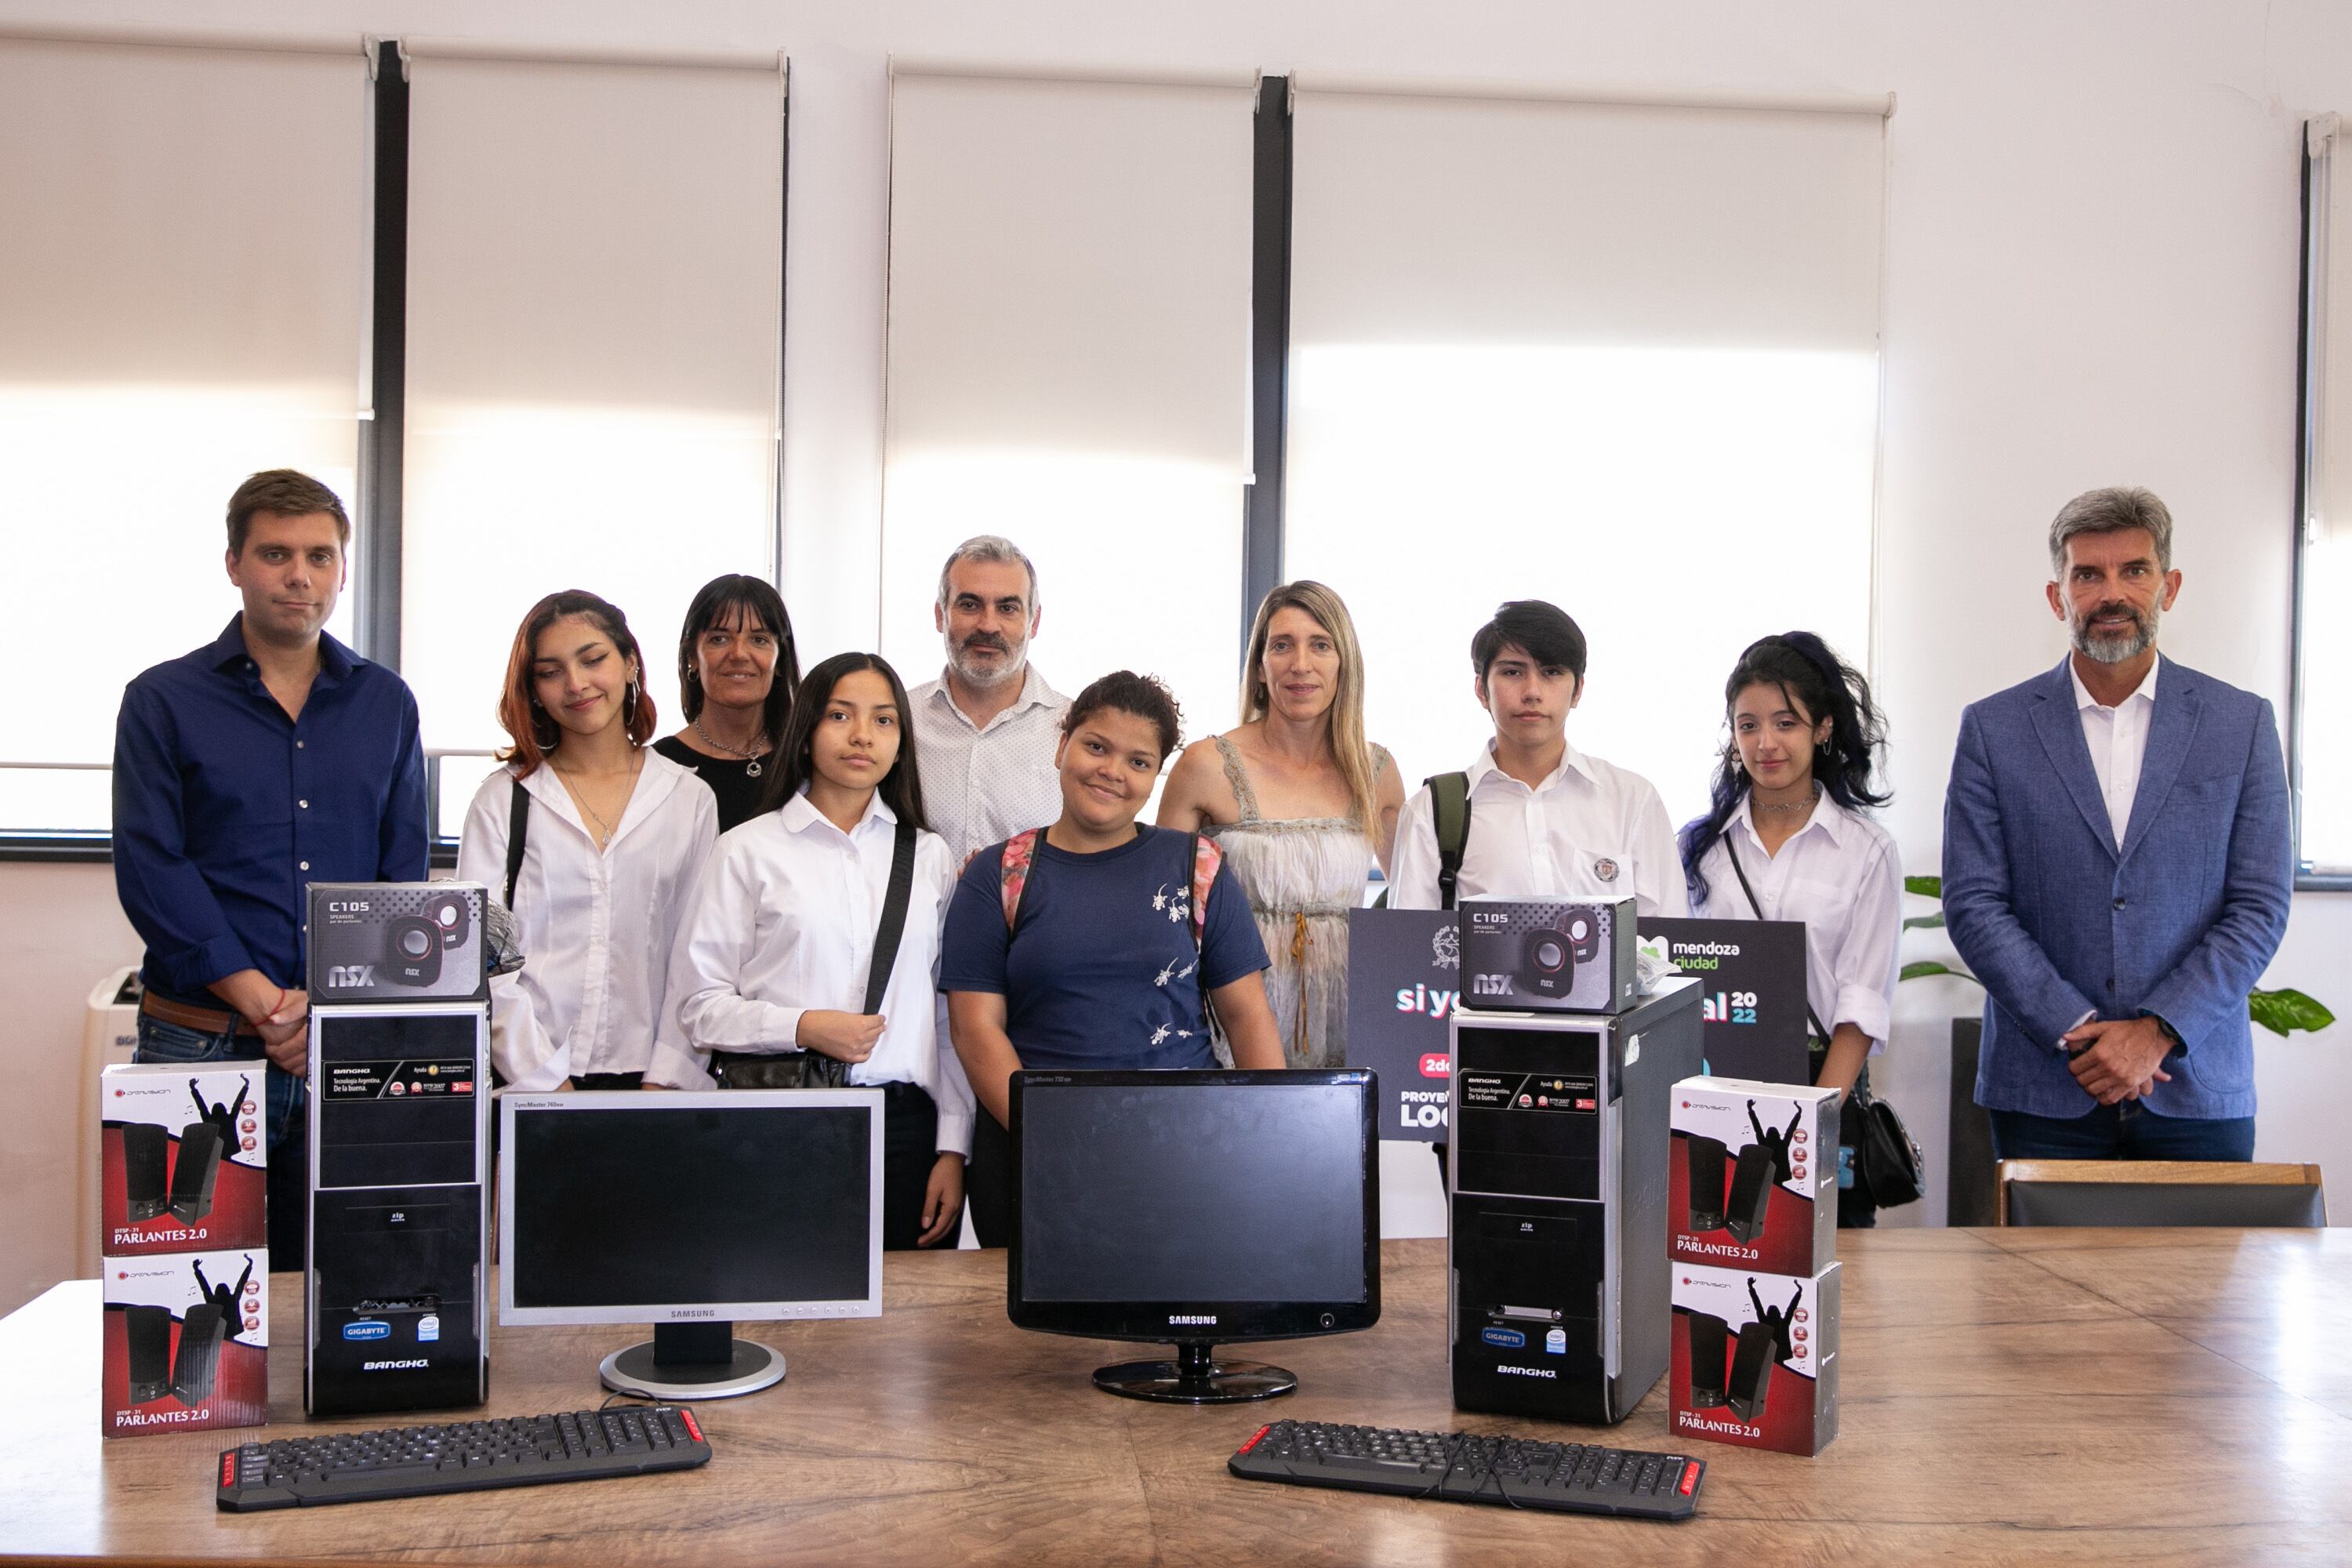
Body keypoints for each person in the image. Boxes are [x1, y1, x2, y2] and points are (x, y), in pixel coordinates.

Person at [113, 469, 426, 1272]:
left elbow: (400, 878)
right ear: (234, 563)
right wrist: (266, 1006)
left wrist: (324, 1010)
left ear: (341, 569)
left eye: (320, 555)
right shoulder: (162, 700)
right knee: (188, 1303)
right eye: (276, 553)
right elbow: (153, 867)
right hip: (200, 1040)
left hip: (341, 1051)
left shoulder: (387, 704)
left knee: (343, 1300)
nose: (300, 575)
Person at [1944, 487, 2292, 1161]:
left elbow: (2260, 904)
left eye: (2134, 570)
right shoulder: (1994, 729)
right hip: (2045, 1090)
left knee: (2197, 1273)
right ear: (2058, 597)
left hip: (2195, 1088)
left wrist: (2157, 1030)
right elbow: (1974, 902)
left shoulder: (2240, 725)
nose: (2112, 592)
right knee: (2039, 1275)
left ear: (2170, 585)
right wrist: (2079, 1030)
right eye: (2088, 574)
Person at [942, 671, 1286, 1246]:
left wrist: (1267, 1136)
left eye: (1138, 761)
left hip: (1184, 1153)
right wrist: (1053, 1138)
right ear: (1061, 745)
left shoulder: (1197, 867)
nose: (1111, 772)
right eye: (1096, 746)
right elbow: (975, 1031)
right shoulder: (997, 874)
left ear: (1156, 776)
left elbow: (1248, 1015)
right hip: (1034, 1153)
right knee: (1033, 1338)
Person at [669, 652, 975, 1249]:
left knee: (906, 1327)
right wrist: (804, 1026)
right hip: (780, 1119)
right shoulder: (746, 851)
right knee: (784, 1311)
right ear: (805, 732)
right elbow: (699, 1006)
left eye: (884, 720)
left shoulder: (929, 856)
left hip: (905, 1127)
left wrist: (952, 1146)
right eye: (840, 715)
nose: (863, 735)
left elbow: (946, 1016)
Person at [1679, 632, 1900, 1226]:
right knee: (1716, 1259)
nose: (1765, 743)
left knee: (1827, 1272)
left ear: (1822, 728)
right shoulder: (1700, 848)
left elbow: (1862, 1000)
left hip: (1821, 1079)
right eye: (1747, 725)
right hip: (1713, 1086)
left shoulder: (1866, 851)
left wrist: (1814, 1116)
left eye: (1785, 722)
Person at [457, 591, 717, 1091]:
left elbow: (697, 954)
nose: (575, 685)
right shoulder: (503, 799)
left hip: (653, 1082)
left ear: (630, 664)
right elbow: (479, 957)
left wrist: (665, 1080)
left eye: (593, 659)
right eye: (550, 672)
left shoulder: (688, 797)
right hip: (528, 1081)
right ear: (533, 689)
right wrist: (543, 1079)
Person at [1157, 581, 1405, 1069]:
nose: (1301, 664)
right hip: (1230, 1016)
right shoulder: (1206, 764)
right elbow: (1163, 913)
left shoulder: (1377, 770)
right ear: (1260, 665)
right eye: (1282, 645)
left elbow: (1416, 905)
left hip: (1350, 1020)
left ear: (1344, 663)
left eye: (1321, 644)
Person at [1389, 600, 1687, 916]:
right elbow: (1408, 951)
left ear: (1577, 691)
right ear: (1481, 689)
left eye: (1552, 672)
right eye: (1513, 672)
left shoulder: (1632, 800)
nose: (1532, 691)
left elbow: (1666, 942)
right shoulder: (1431, 812)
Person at [908, 535, 1070, 864]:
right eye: (970, 605)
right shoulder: (899, 720)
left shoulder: (1075, 730)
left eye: (1007, 608)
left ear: (1033, 622)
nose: (988, 625)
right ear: (941, 615)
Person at [652, 574, 801, 833]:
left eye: (759, 639)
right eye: (719, 639)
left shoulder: (806, 759)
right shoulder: (658, 769)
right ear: (692, 658)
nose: (739, 654)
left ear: (780, 660)